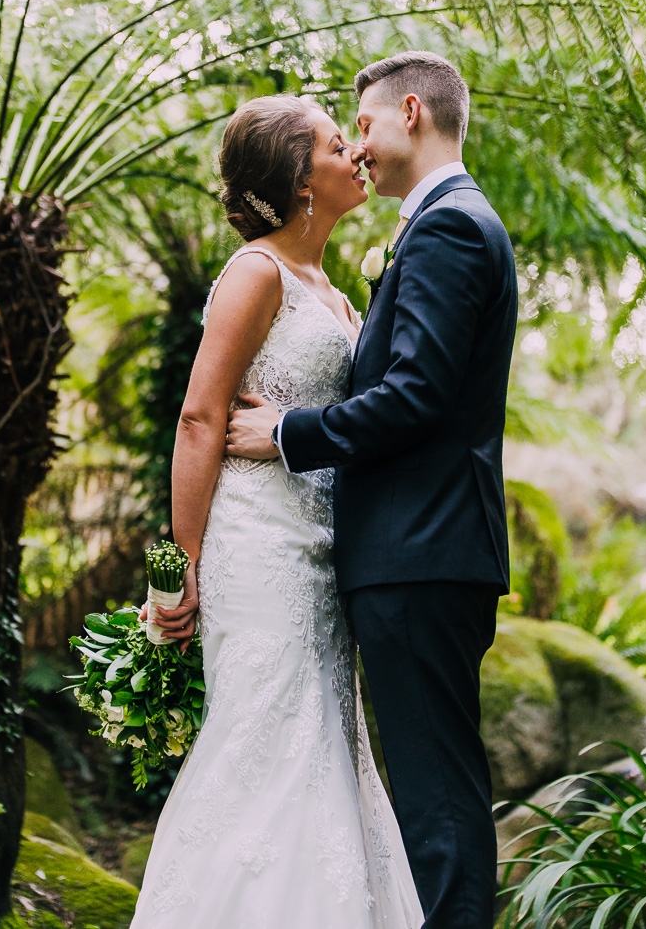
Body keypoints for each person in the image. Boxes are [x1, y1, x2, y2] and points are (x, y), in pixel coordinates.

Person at [224, 52, 519, 929]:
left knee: (435, 805)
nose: (358, 147)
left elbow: (417, 396)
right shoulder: (442, 225)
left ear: (413, 112)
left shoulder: (449, 226)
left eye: (363, 125)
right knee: (434, 796)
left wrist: (286, 432)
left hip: (420, 551)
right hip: (420, 552)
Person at [129, 94, 424, 929]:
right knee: (261, 743)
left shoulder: (331, 288)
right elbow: (199, 417)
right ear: (301, 180)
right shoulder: (256, 273)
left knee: (327, 746)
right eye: (339, 144)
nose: (355, 155)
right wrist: (176, 569)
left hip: (327, 552)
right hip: (258, 550)